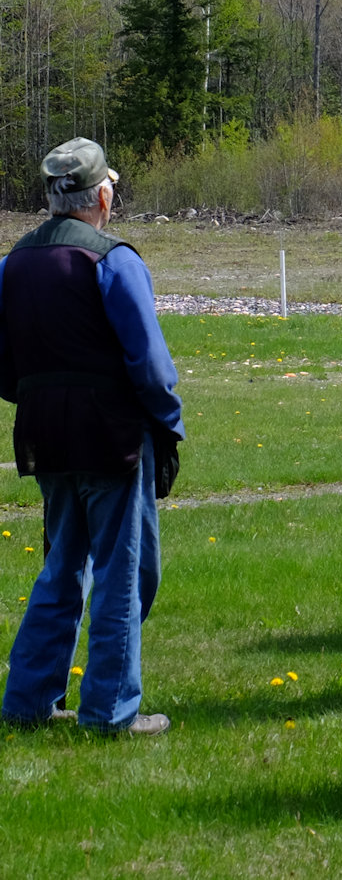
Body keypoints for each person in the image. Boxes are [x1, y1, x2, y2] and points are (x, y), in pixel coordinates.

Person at [0, 138, 183, 736]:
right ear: (102, 194)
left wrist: (40, 391)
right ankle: (110, 712)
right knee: (122, 572)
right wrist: (169, 422)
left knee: (60, 567)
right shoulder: (113, 260)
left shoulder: (13, 262)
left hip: (43, 431)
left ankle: (27, 701)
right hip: (111, 434)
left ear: (52, 195)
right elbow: (150, 364)